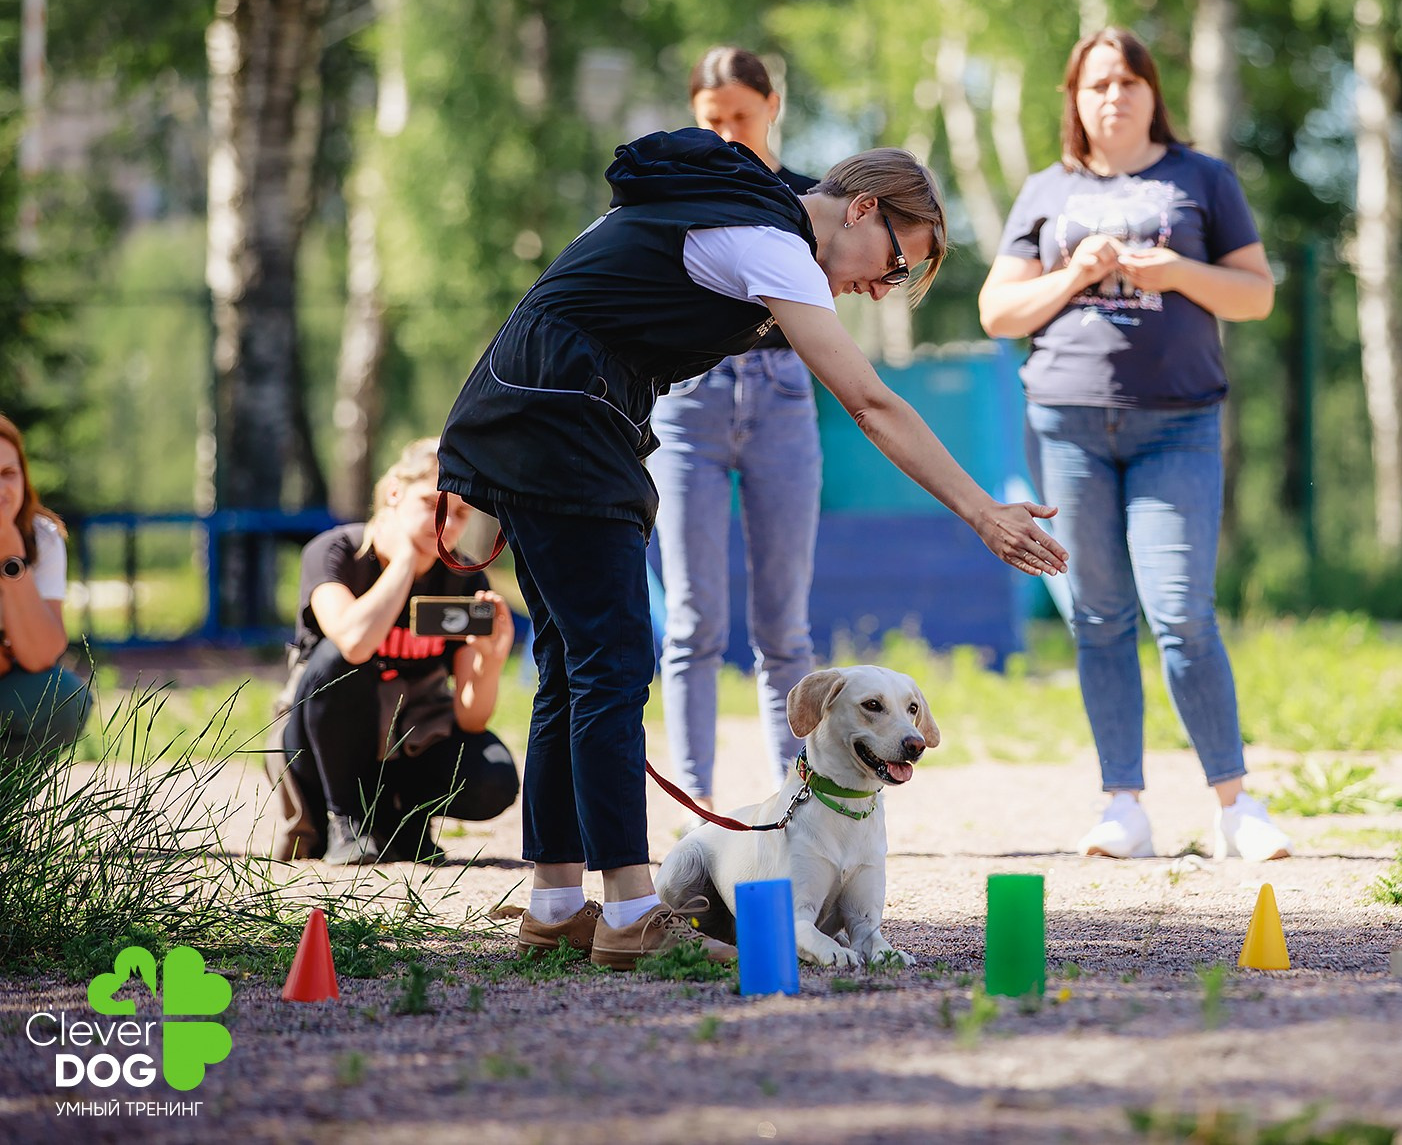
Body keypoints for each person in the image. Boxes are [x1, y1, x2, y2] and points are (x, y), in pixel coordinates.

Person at [436, 130, 1067, 968]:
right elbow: (871, 404)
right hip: (560, 416)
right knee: (613, 666)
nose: (882, 288)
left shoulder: (757, 214)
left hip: (538, 404)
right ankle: (629, 911)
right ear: (865, 208)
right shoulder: (772, 242)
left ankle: (556, 903)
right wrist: (983, 511)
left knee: (574, 662)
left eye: (899, 280)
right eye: (894, 262)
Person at [978, 27, 1289, 862]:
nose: (1114, 96)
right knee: (1098, 616)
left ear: (1154, 92)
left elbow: (1256, 294)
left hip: (1179, 423)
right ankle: (1124, 805)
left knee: (1182, 611)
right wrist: (1077, 273)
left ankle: (1236, 804)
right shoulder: (1047, 188)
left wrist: (1173, 272)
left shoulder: (1203, 179)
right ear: (1075, 101)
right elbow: (998, 313)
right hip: (1068, 424)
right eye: (1096, 84)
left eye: (1129, 81)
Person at [647, 48, 821, 821]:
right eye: (710, 120)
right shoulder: (677, 192)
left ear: (772, 107)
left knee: (784, 621)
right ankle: (699, 797)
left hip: (783, 396)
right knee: (693, 616)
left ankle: (802, 793)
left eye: (739, 118)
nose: (724, 133)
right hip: (689, 401)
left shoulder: (809, 198)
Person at [274, 438, 519, 865]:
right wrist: (404, 563)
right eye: (432, 503)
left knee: (493, 776)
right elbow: (353, 641)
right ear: (393, 494)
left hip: (408, 741)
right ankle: (345, 821)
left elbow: (470, 718)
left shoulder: (463, 579)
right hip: (318, 745)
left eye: (460, 513)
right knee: (339, 661)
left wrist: (491, 660)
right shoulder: (337, 553)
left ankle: (401, 823)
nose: (444, 523)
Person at [0, 413, 91, 756]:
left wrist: (11, 561)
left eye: (8, 473)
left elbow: (42, 655)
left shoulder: (42, 538)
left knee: (63, 698)